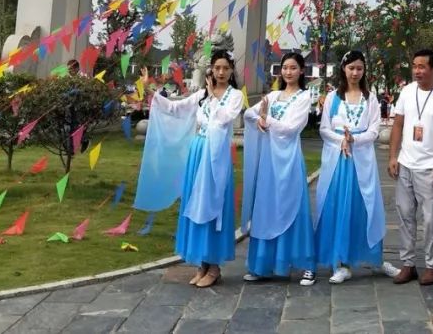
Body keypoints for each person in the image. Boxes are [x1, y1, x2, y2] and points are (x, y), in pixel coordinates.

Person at [133, 51, 244, 287]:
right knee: (196, 205)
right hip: (198, 152)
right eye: (217, 68)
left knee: (213, 206)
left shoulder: (234, 96)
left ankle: (214, 266)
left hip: (217, 158)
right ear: (211, 70)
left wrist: (213, 94)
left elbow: (223, 119)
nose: (221, 72)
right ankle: (201, 264)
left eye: (225, 68)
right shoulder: (202, 95)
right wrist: (151, 90)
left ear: (232, 70)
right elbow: (175, 108)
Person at [313, 50, 397, 284]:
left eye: (359, 68)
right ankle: (341, 261)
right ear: (343, 69)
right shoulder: (333, 98)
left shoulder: (370, 98)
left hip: (361, 158)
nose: (355, 73)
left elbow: (373, 129)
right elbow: (324, 129)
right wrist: (341, 141)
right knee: (338, 205)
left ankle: (375, 258)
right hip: (337, 160)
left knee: (365, 206)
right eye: (351, 68)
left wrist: (354, 140)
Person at [242, 51, 316, 285]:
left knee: (294, 207)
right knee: (266, 208)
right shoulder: (273, 96)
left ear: (301, 71)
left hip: (290, 161)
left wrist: (267, 121)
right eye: (285, 68)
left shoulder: (305, 97)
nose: (288, 72)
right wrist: (261, 120)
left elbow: (291, 128)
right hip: (269, 162)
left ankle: (306, 265)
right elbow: (248, 114)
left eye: (293, 68)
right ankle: (262, 265)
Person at [387, 49, 433, 286]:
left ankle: (432, 266)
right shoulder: (407, 92)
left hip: (430, 167)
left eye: (422, 66)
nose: (417, 70)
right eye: (414, 66)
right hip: (406, 163)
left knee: (430, 220)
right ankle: (408, 264)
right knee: (405, 215)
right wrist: (393, 157)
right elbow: (397, 125)